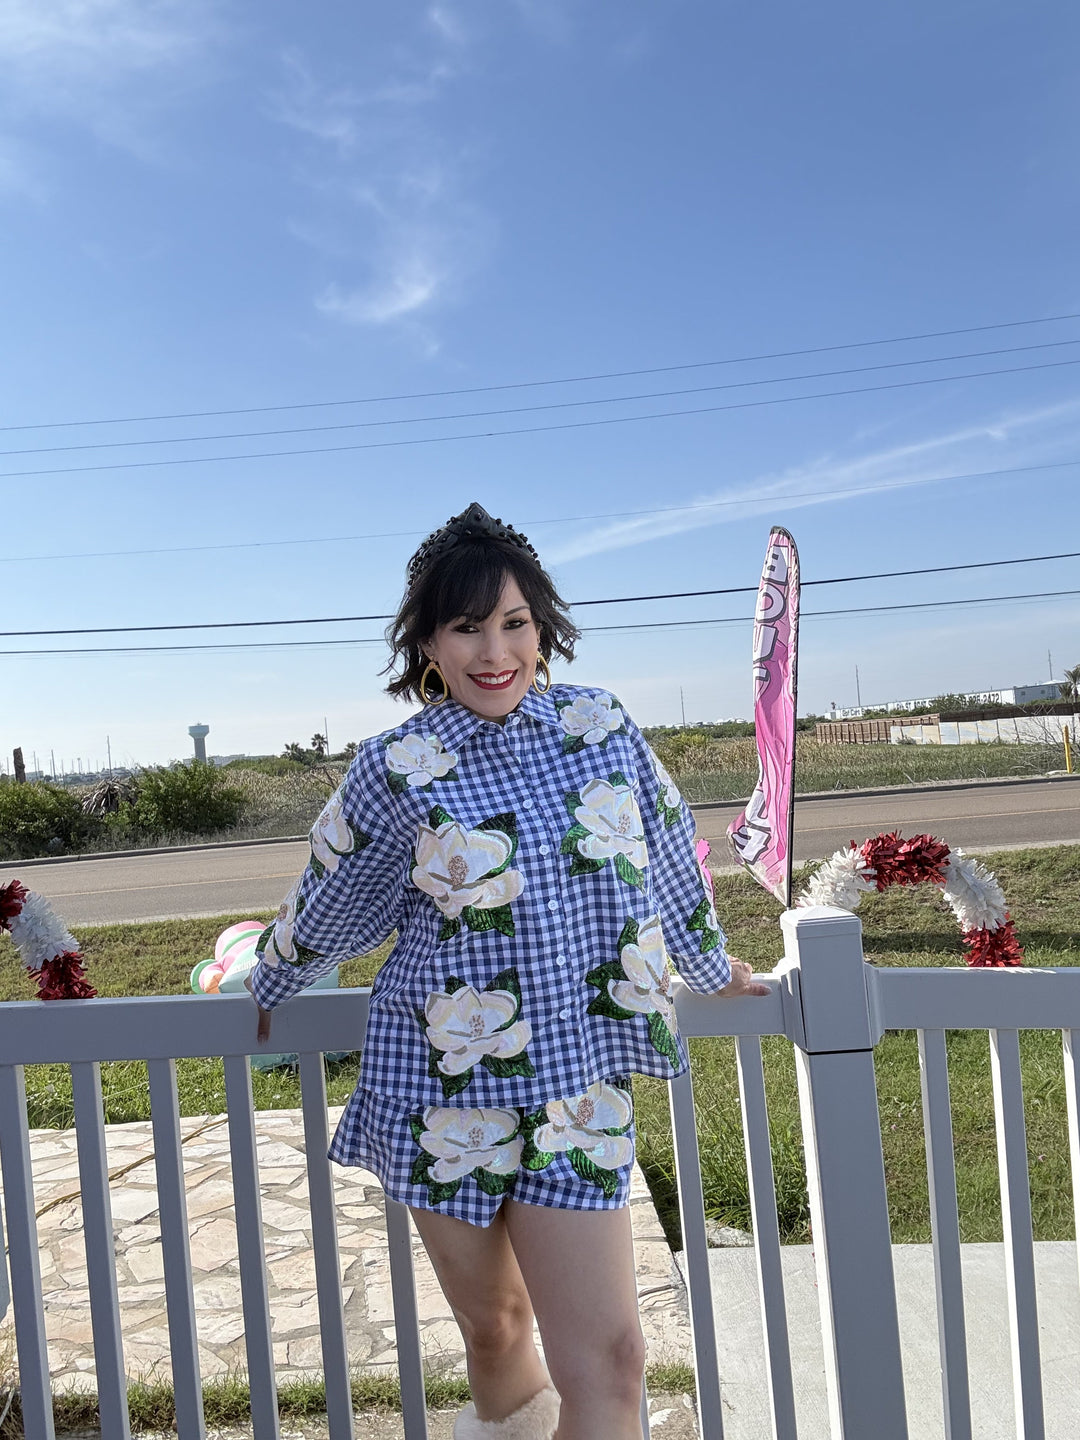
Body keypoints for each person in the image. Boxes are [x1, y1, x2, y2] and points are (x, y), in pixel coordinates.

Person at [247, 502, 769, 1440]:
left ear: (544, 629)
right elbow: (332, 895)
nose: (496, 650)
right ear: (429, 645)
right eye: (467, 626)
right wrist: (272, 980)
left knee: (611, 1362)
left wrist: (706, 962)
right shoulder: (396, 767)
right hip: (441, 1086)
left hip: (574, 1086)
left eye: (515, 623)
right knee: (492, 1329)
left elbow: (663, 847)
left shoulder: (600, 724)